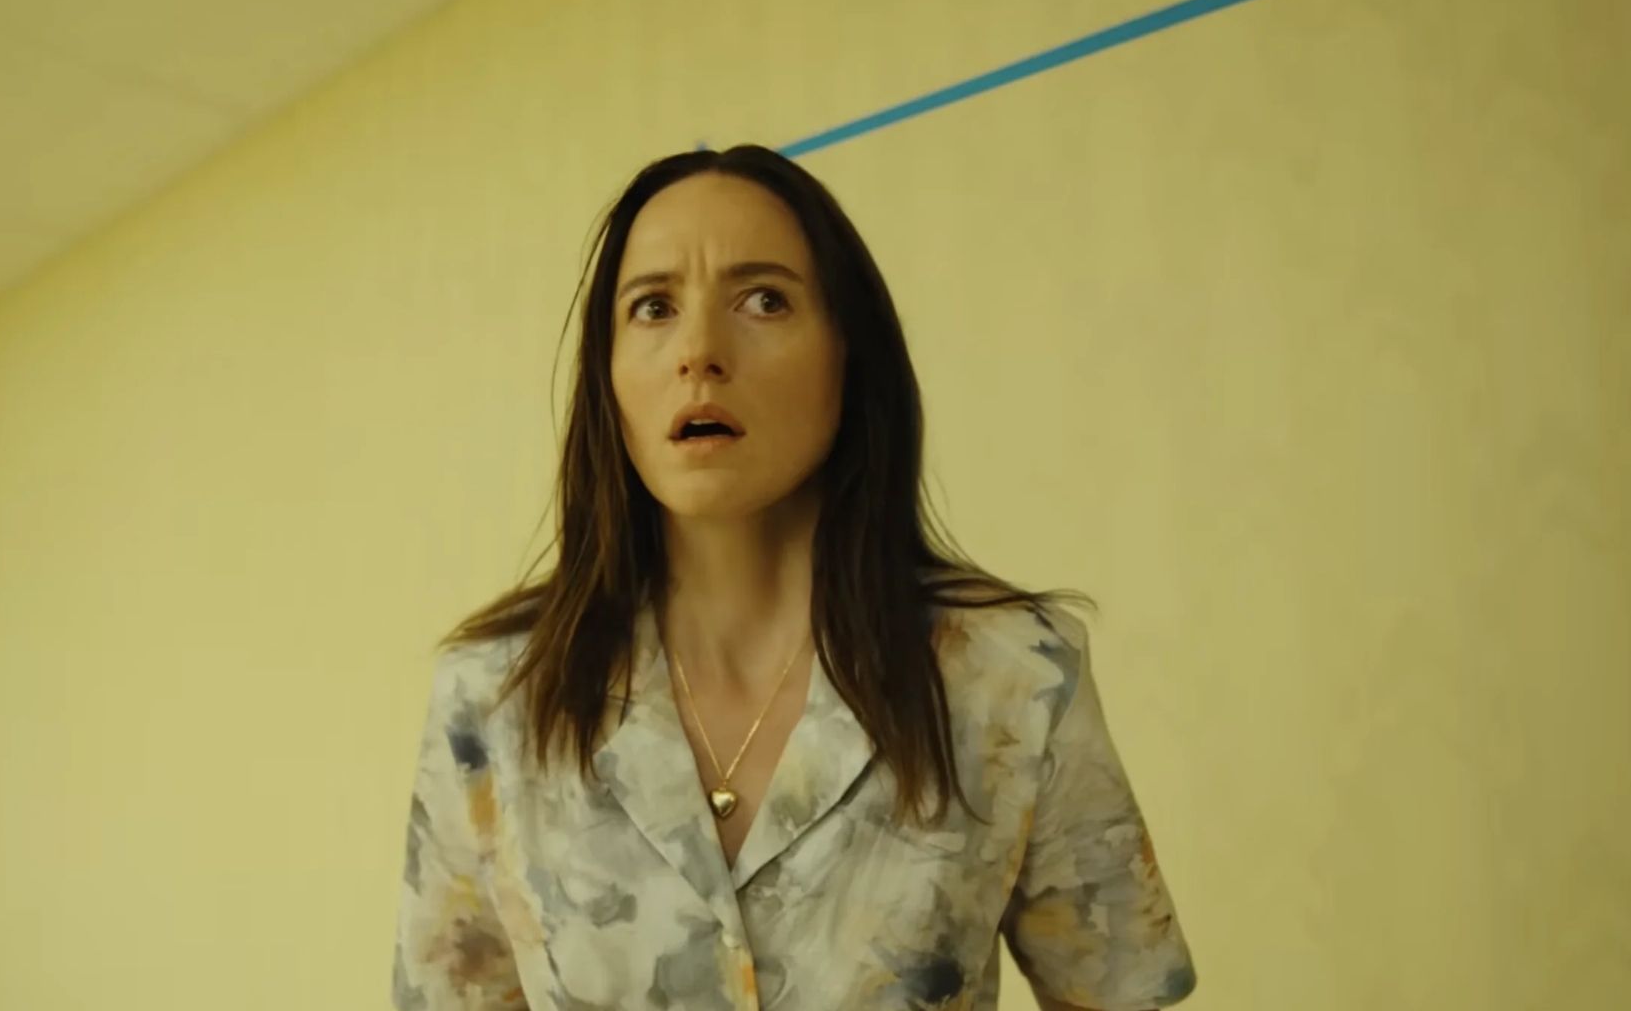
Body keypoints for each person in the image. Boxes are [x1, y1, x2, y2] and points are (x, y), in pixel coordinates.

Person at [392, 144, 1196, 1009]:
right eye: (654, 307)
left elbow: (1119, 991)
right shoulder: (494, 698)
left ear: (849, 355)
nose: (700, 351)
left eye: (764, 300)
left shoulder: (1013, 675)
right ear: (607, 373)